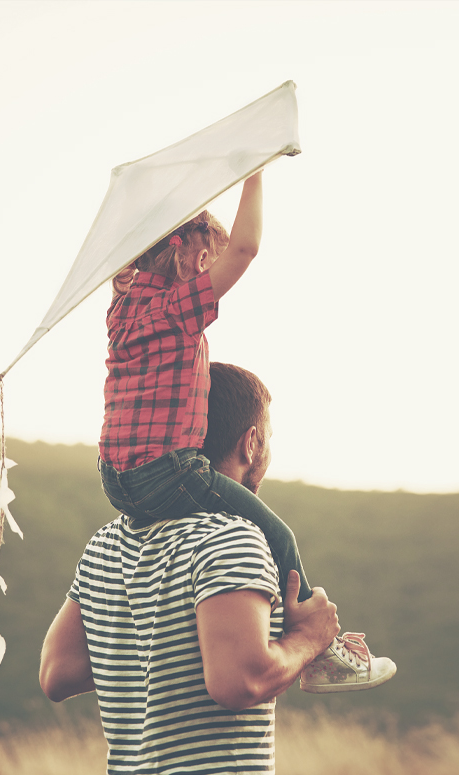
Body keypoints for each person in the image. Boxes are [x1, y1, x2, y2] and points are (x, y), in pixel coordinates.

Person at [41, 363, 396, 775]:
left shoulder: (105, 543)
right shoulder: (230, 535)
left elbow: (57, 673)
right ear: (251, 443)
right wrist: (308, 640)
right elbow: (238, 683)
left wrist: (162, 648)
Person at [95, 171, 391, 692]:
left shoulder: (122, 309)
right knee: (278, 535)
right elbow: (247, 248)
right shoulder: (175, 308)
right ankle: (318, 651)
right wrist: (253, 172)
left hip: (114, 479)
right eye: (210, 260)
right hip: (166, 471)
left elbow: (183, 253)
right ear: (193, 257)